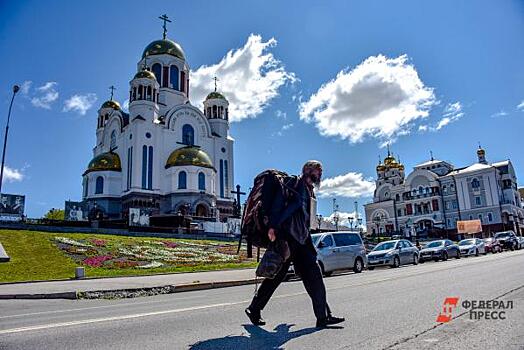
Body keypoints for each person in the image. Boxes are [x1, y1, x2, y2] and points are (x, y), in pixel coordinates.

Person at [245, 161, 345, 328]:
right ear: (308, 170)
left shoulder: (309, 190)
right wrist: (273, 227)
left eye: (320, 172)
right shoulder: (294, 183)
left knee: (313, 275)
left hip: (302, 239)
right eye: (317, 171)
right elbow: (278, 203)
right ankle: (254, 308)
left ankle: (323, 317)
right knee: (276, 276)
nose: (320, 174)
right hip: (288, 237)